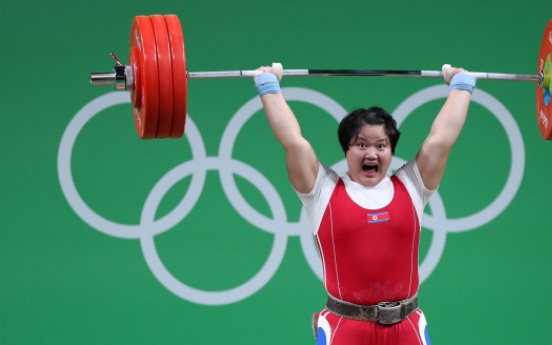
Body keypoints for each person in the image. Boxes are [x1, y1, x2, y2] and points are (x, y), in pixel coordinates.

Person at [253, 63, 476, 345]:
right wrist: (269, 86)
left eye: (381, 146)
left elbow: (441, 140)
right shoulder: (322, 190)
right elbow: (293, 142)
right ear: (346, 150)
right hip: (346, 328)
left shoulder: (412, 185)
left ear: (391, 152)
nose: (371, 153)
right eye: (361, 145)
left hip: (406, 326)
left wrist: (461, 85)